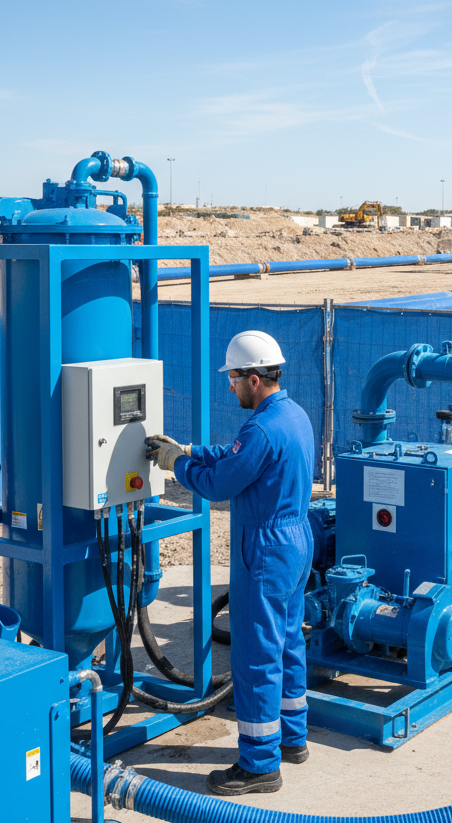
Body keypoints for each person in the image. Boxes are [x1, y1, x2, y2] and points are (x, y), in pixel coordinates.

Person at [146, 330, 314, 796]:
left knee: (256, 656)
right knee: (286, 642)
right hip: (296, 541)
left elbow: (220, 484)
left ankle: (261, 764)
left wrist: (176, 465)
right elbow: (237, 458)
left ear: (255, 379)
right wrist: (191, 450)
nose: (230, 386)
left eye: (234, 378)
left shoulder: (260, 428)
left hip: (265, 549)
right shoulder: (291, 415)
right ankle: (293, 739)